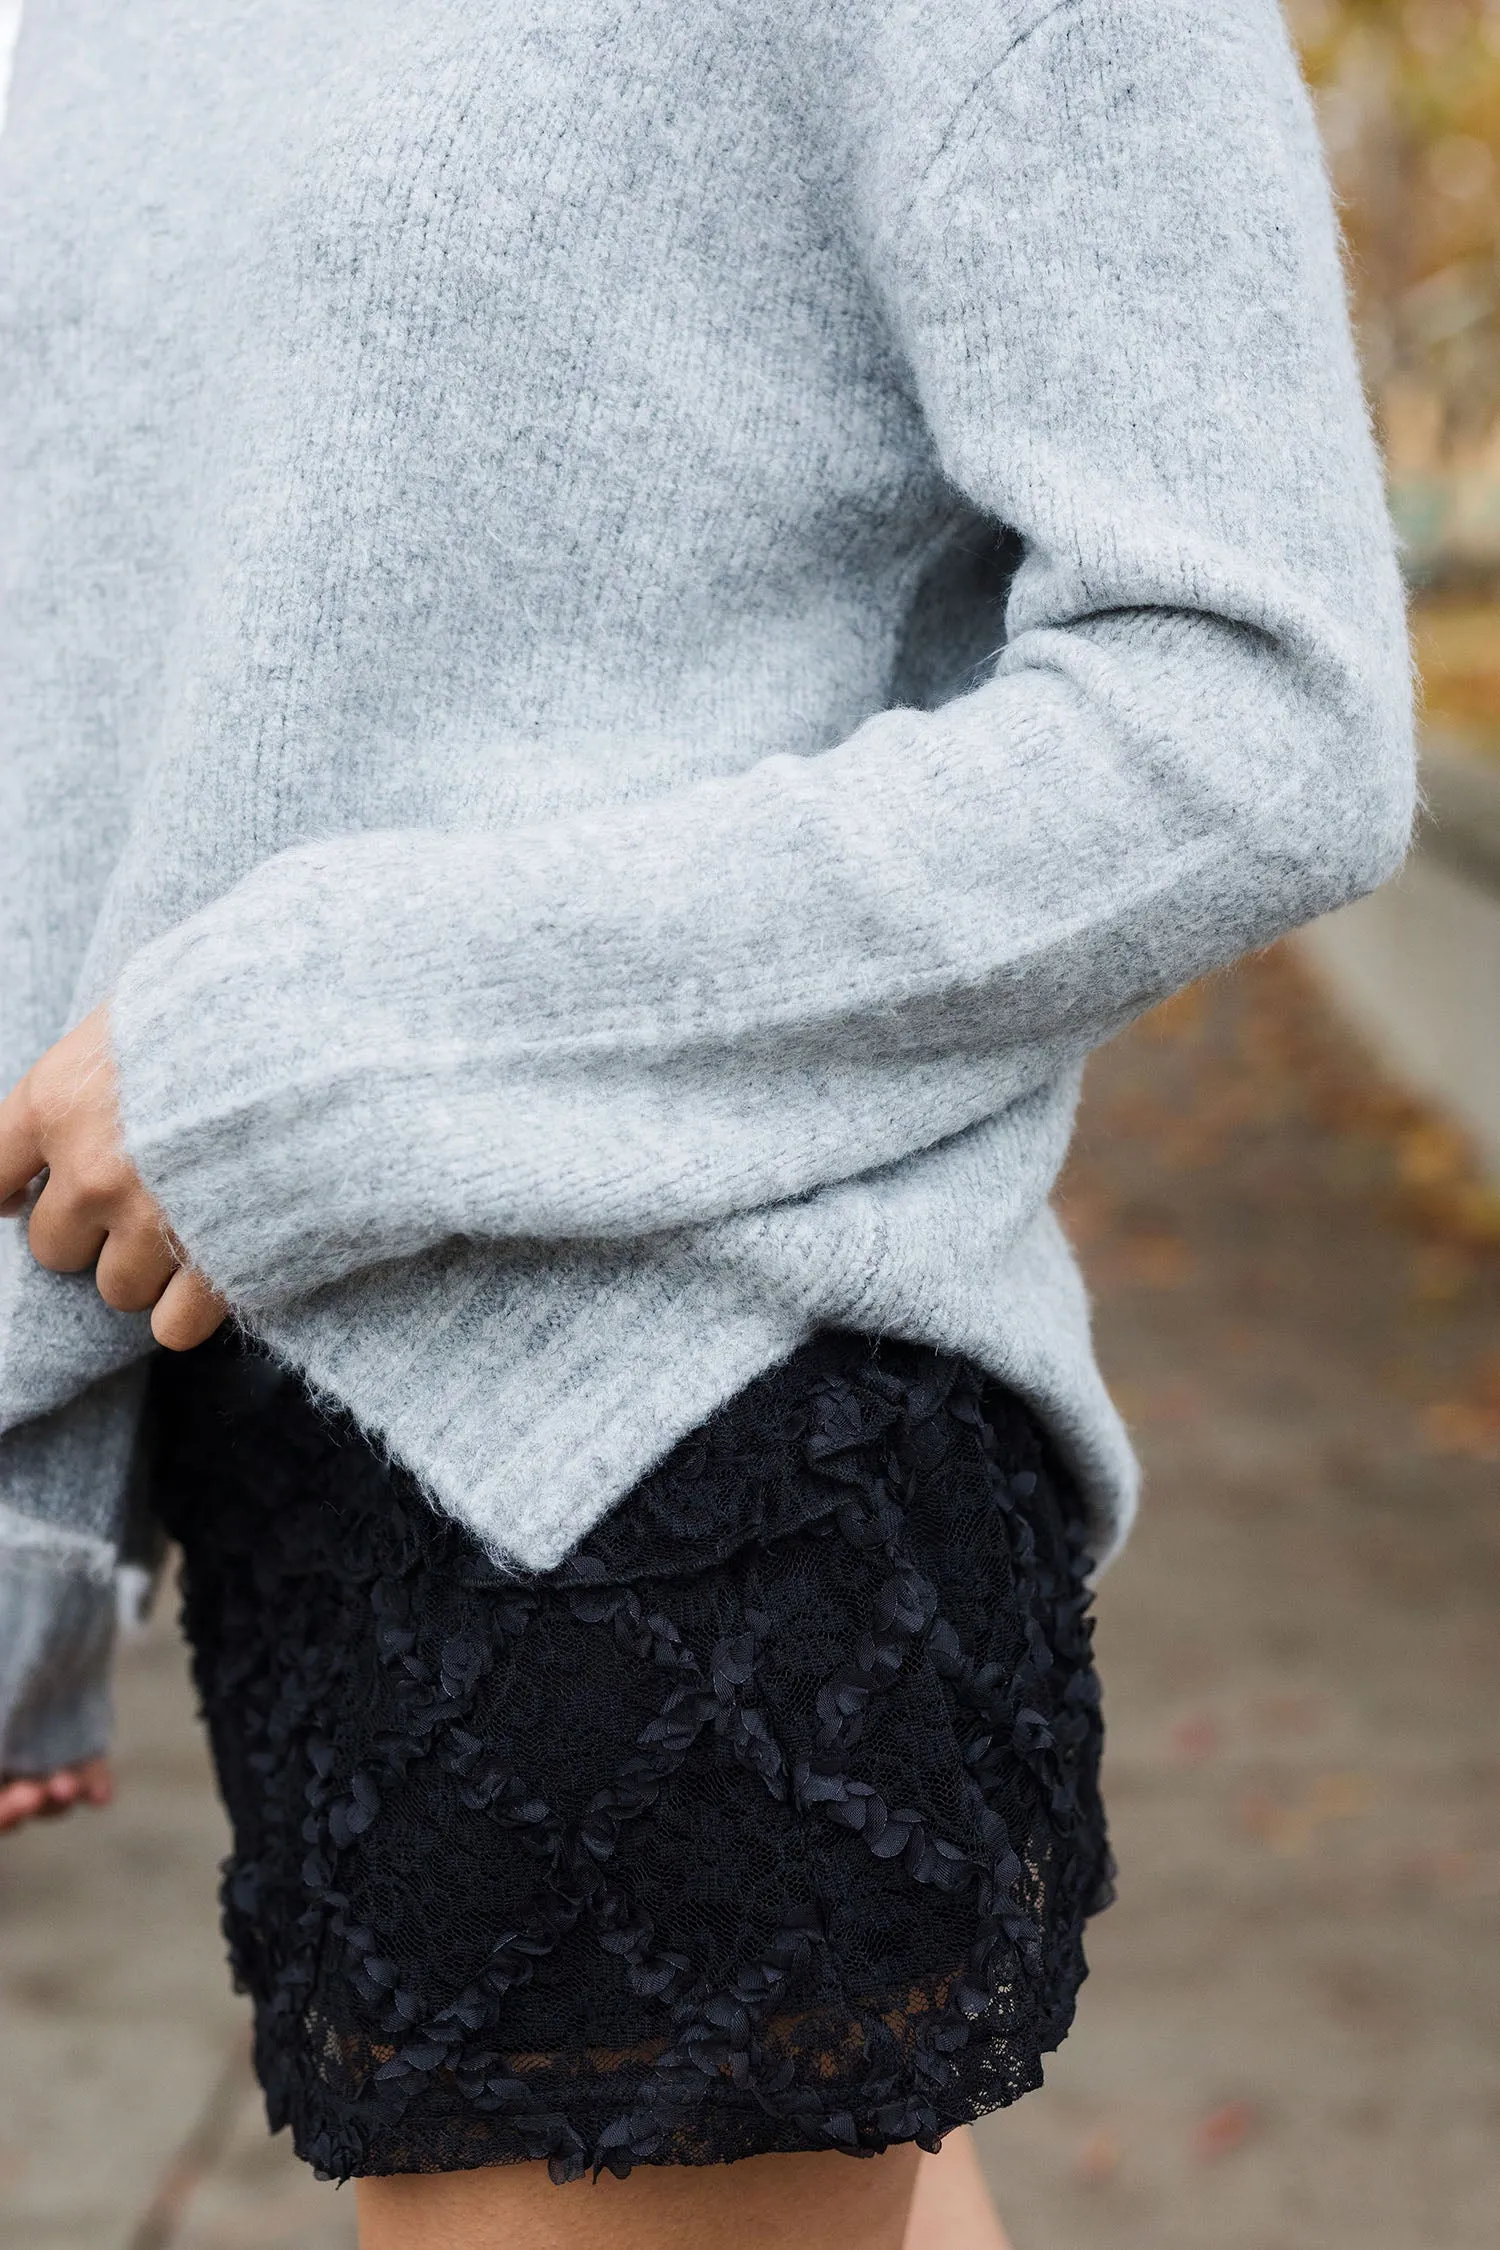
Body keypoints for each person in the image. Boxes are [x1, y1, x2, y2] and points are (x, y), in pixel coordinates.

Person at [0, 1, 1413, 2245]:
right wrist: (29, 1486)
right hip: (281, 1446)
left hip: (695, 1430)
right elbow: (95, 677)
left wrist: (345, 1029)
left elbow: (1258, 703)